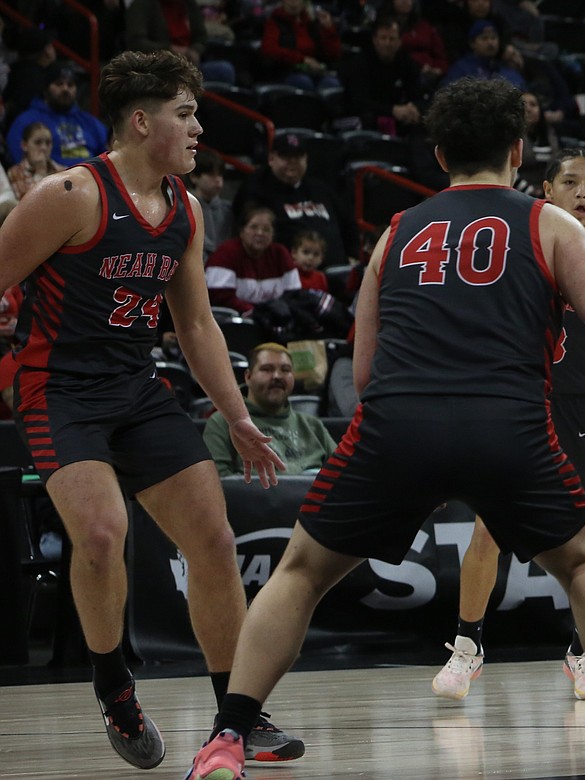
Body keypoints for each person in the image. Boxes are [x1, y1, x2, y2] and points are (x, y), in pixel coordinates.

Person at [183, 76, 585, 780]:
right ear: (519, 152)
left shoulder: (396, 232)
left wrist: (411, 449)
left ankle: (227, 738)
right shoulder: (550, 224)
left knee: (303, 572)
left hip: (399, 424)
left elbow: (366, 369)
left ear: (439, 155)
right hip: (512, 425)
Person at [0, 49, 301, 771]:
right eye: (186, 113)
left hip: (135, 386)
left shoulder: (185, 210)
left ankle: (238, 715)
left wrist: (237, 417)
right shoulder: (69, 195)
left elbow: (196, 327)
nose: (199, 128)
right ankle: (114, 688)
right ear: (142, 121)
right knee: (102, 535)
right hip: (58, 387)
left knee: (216, 542)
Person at [431, 147, 585, 703]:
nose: (582, 191)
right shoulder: (524, 242)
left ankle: (583, 652)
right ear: (546, 189)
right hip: (520, 400)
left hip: (582, 407)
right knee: (490, 528)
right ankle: (466, 646)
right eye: (571, 181)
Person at [204, 342, 336, 475]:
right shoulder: (223, 422)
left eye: (285, 370)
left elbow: (343, 474)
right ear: (248, 377)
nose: (277, 376)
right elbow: (218, 483)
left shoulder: (312, 425)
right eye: (267, 369)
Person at [231, 130, 359, 267]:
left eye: (298, 156)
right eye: (286, 156)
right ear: (271, 158)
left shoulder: (320, 188)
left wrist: (353, 255)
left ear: (306, 159)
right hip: (284, 277)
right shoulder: (256, 188)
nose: (292, 162)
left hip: (336, 274)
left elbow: (348, 223)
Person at [5, 60, 109, 167]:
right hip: (48, 179)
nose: (65, 89)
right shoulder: (26, 121)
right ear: (45, 89)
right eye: (59, 83)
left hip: (91, 179)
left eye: (70, 84)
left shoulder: (89, 121)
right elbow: (19, 161)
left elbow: (110, 153)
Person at [338, 14, 427, 135]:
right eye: (383, 38)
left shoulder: (407, 63)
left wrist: (414, 109)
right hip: (365, 116)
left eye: (392, 39)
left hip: (399, 116)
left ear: (399, 41)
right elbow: (359, 101)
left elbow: (417, 94)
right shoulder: (360, 62)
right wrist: (392, 110)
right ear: (374, 40)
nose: (387, 43)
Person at [205, 204, 301, 316]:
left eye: (266, 229)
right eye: (253, 227)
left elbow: (294, 293)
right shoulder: (225, 253)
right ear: (242, 231)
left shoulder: (280, 253)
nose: (260, 233)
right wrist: (256, 313)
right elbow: (219, 296)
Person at [259, 0, 342, 91]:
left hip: (316, 72)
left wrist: (328, 29)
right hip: (288, 71)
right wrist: (302, 59)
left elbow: (334, 54)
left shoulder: (312, 22)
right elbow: (268, 50)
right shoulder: (274, 22)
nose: (293, 2)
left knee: (331, 84)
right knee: (303, 82)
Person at [441, 19, 526, 89]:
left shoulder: (506, 68)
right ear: (472, 43)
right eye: (484, 38)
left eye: (493, 38)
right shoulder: (461, 68)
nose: (490, 42)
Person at [188, 148, 232, 262]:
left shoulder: (228, 209)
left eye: (220, 175)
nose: (218, 180)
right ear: (194, 177)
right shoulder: (183, 207)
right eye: (211, 174)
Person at [7, 122, 66, 201]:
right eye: (38, 142)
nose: (44, 147)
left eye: (48, 143)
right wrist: (40, 172)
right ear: (24, 145)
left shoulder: (63, 171)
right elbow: (24, 205)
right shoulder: (15, 173)